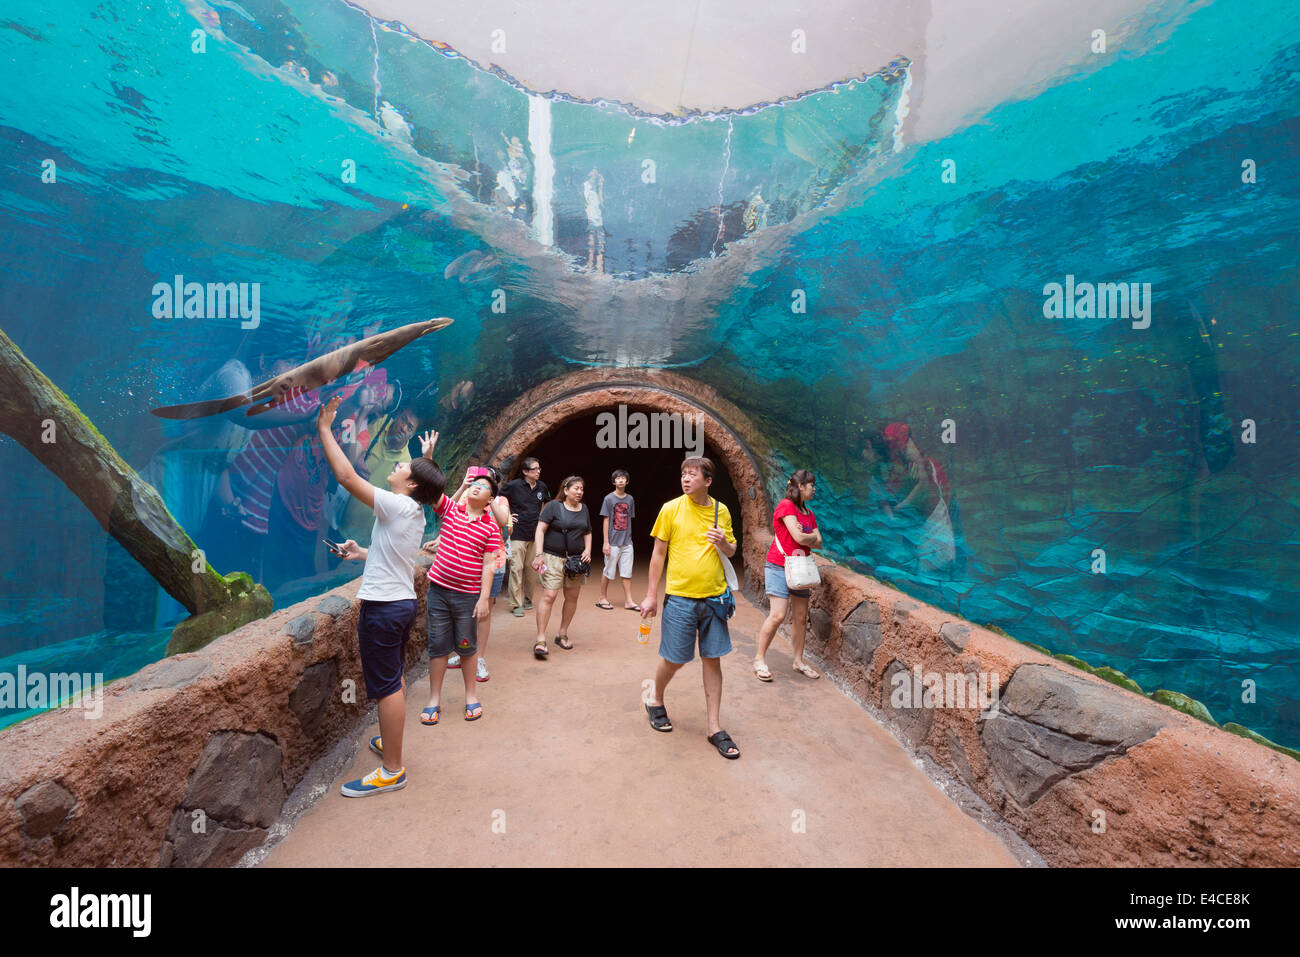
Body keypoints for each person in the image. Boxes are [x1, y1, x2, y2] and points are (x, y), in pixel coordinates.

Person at [315, 396, 444, 797]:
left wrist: (324, 428)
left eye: (405, 467)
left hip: (385, 610)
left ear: (410, 485)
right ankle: (391, 745)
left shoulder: (398, 505)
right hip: (399, 603)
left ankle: (392, 769)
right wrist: (360, 553)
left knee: (387, 685)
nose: (399, 465)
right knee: (395, 679)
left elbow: (347, 477)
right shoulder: (414, 512)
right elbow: (395, 556)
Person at [638, 457, 741, 759]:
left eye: (692, 475)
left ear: (707, 481)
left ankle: (714, 728)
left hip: (714, 599)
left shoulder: (721, 511)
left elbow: (733, 549)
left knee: (713, 660)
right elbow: (658, 554)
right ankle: (655, 699)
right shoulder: (671, 509)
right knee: (675, 659)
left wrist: (724, 542)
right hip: (680, 597)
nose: (685, 479)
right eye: (683, 474)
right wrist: (651, 596)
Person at [421, 466, 502, 725]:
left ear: (490, 500)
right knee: (438, 647)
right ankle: (434, 699)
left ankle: (470, 696)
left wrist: (483, 598)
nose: (477, 486)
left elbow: (489, 564)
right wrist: (430, 459)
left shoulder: (490, 528)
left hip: (467, 596)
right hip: (439, 592)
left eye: (484, 486)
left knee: (467, 648)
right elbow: (433, 492)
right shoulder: (452, 510)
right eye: (474, 483)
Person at [442, 465, 510, 683]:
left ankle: (479, 657)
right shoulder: (468, 495)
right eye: (477, 479)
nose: (479, 482)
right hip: (467, 562)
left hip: (493, 561)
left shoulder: (500, 501)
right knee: (463, 613)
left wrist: (492, 500)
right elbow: (449, 510)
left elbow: (503, 523)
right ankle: (464, 654)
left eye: (485, 479)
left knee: (484, 612)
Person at [753, 470, 822, 682]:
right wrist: (808, 536)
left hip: (800, 569)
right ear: (800, 486)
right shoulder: (786, 506)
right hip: (778, 566)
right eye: (811, 485)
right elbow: (800, 536)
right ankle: (759, 659)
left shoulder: (809, 514)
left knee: (801, 618)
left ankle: (798, 661)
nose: (814, 489)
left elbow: (819, 542)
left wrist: (807, 536)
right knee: (778, 615)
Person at [334, 407, 420, 547]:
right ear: (397, 416)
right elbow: (352, 441)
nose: (404, 428)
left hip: (362, 533)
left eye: (410, 428)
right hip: (338, 510)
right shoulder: (379, 423)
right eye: (403, 419)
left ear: (412, 435)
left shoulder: (406, 465)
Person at [529, 476, 592, 658]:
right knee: (549, 595)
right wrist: (539, 554)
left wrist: (587, 549)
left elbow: (587, 531)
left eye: (581, 489)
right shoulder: (553, 507)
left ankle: (562, 633)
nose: (579, 492)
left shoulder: (584, 509)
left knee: (572, 597)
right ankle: (540, 638)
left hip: (576, 561)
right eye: (576, 489)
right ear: (566, 490)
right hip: (553, 558)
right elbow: (540, 530)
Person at [501, 457, 550, 616]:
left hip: (535, 534)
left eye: (539, 469)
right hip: (517, 533)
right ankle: (516, 604)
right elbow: (498, 498)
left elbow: (548, 502)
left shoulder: (542, 487)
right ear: (525, 472)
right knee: (516, 568)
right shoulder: (514, 486)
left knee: (532, 569)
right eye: (535, 469)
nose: (538, 471)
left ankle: (528, 598)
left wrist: (543, 518)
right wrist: (507, 515)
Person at [595, 469, 637, 610]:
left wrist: (629, 539)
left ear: (627, 481)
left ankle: (629, 601)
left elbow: (629, 520)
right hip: (612, 542)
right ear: (613, 481)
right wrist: (606, 542)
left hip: (627, 542)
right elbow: (606, 520)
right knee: (608, 570)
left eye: (623, 478)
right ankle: (602, 598)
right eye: (617, 478)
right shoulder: (609, 499)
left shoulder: (630, 499)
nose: (620, 480)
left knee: (627, 572)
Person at [584, 168, 605, 273]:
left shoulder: (597, 188)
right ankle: (590, 265)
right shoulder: (585, 185)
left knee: (600, 243)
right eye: (593, 170)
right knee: (591, 241)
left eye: (597, 170)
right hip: (589, 217)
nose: (595, 172)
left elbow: (602, 204)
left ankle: (599, 267)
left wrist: (600, 187)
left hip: (598, 218)